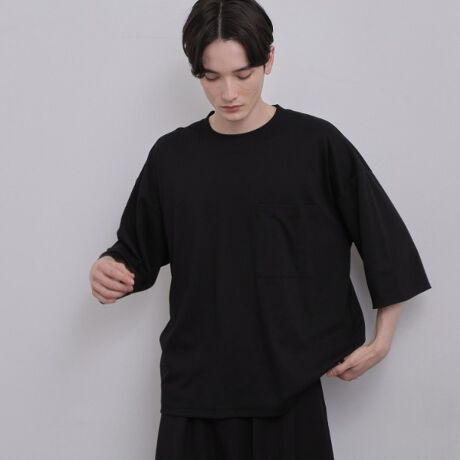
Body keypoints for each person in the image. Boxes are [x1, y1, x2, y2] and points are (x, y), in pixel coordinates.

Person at [89, 1, 432, 458]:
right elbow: (133, 253)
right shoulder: (172, 157)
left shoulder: (316, 145)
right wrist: (108, 270)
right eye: (211, 77)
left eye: (243, 73)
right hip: (194, 390)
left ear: (269, 58)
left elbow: (384, 238)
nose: (228, 92)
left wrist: (382, 342)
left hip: (289, 391)